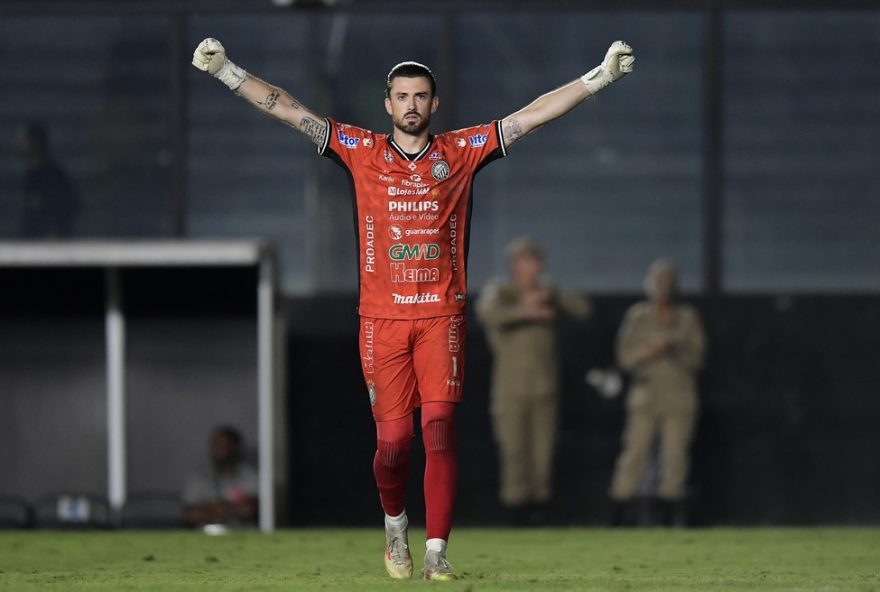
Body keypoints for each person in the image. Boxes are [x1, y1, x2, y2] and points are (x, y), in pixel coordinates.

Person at [192, 37, 634, 579]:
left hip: (440, 318)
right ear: (387, 104)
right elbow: (288, 108)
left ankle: (436, 552)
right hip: (381, 322)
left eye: (420, 96)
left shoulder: (462, 151)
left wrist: (600, 77)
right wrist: (228, 72)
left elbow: (533, 115)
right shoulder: (360, 151)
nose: (411, 105)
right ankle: (396, 526)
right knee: (394, 445)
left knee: (441, 428)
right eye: (401, 96)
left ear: (434, 103)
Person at [477, 237, 591, 525]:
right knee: (514, 453)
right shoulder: (502, 292)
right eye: (526, 260)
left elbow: (583, 309)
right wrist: (524, 310)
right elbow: (488, 312)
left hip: (544, 387)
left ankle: (540, 509)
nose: (532, 267)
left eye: (536, 260)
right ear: (514, 264)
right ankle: (515, 511)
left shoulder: (548, 291)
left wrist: (552, 294)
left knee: (543, 454)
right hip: (510, 389)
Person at [609, 259, 706, 527]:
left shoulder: (686, 318)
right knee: (634, 455)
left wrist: (674, 347)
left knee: (674, 459)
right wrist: (647, 352)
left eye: (667, 283)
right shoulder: (638, 317)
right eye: (657, 283)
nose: (662, 289)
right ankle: (620, 515)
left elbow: (698, 360)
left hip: (678, 396)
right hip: (646, 396)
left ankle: (668, 516)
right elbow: (624, 358)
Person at [182, 426, 259, 528]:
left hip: (242, 535)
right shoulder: (199, 478)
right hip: (205, 537)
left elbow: (248, 510)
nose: (219, 449)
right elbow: (191, 514)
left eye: (224, 444)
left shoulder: (250, 476)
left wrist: (211, 508)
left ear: (235, 447)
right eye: (215, 444)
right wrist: (231, 509)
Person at [17, 121, 80, 238]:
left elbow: (69, 205)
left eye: (25, 140)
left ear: (34, 142)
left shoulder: (54, 176)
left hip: (49, 246)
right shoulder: (31, 175)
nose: (21, 145)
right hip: (31, 244)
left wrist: (55, 232)